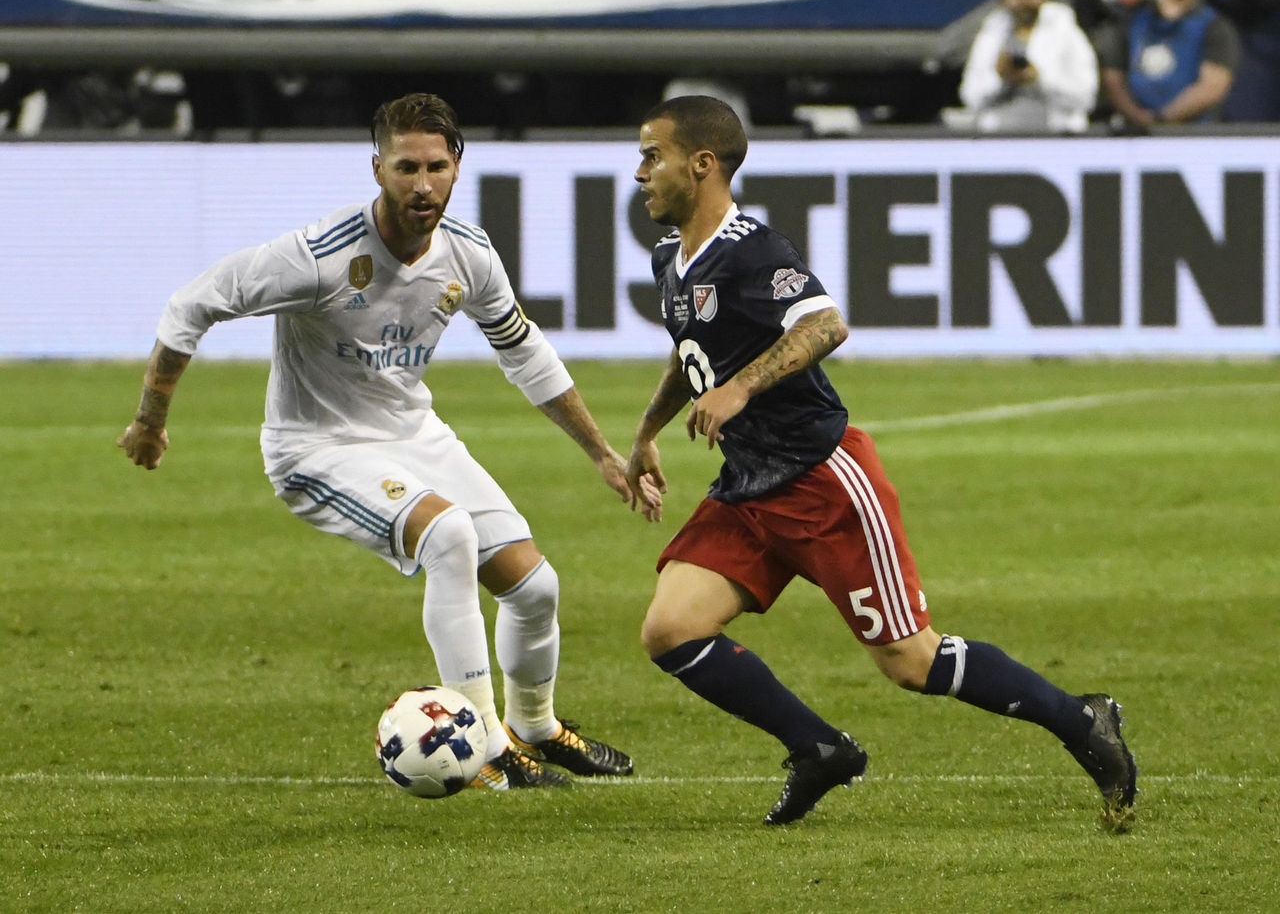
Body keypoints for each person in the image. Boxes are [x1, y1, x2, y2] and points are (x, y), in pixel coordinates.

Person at [623, 95, 1138, 827]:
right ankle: (819, 748)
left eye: (652, 155)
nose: (640, 172)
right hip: (746, 487)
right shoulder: (668, 258)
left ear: (701, 165)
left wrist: (742, 388)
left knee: (912, 663)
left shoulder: (751, 246)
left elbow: (825, 322)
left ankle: (1082, 720)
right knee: (670, 629)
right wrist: (647, 431)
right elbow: (691, 349)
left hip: (822, 480)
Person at [118, 92, 656, 790]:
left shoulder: (469, 253)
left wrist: (601, 452)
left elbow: (523, 351)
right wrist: (151, 419)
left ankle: (537, 727)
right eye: (406, 167)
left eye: (436, 166)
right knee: (450, 537)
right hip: (317, 448)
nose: (422, 184)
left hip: (413, 434)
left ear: (457, 166)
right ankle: (489, 753)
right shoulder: (319, 257)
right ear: (377, 169)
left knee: (535, 588)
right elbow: (193, 304)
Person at [1096, 0, 1239, 128]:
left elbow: (1213, 85)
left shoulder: (1214, 27)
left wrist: (1163, 119)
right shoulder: (1132, 22)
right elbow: (1112, 78)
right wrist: (1138, 118)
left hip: (1194, 134)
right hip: (1136, 134)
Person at [959, 0, 1099, 133]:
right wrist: (1001, 80)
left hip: (1056, 136)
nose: (1023, 1)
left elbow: (1085, 98)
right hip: (1000, 138)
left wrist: (1039, 80)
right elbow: (970, 96)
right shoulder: (991, 34)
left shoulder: (1067, 33)